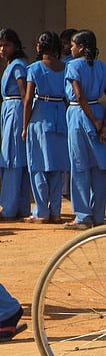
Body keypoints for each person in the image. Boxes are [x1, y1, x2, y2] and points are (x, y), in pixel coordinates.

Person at [63, 30, 106, 229]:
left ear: (82, 46)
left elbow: (78, 94)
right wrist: (105, 123)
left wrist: (93, 120)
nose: (71, 48)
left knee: (80, 166)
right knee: (99, 168)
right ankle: (98, 215)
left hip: (79, 115)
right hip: (98, 112)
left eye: (74, 45)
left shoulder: (73, 65)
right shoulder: (103, 67)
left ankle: (83, 216)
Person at [22, 32, 69, 224]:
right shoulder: (65, 67)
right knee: (57, 168)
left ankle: (41, 211)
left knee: (38, 165)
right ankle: (56, 211)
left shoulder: (34, 68)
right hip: (60, 113)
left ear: (40, 47)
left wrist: (25, 125)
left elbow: (28, 99)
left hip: (41, 114)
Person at [0, 29, 31, 220]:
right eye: (0, 45)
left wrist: (25, 121)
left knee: (12, 158)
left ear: (16, 46)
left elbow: (24, 92)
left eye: (7, 45)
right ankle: (20, 205)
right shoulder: (10, 65)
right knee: (14, 159)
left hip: (16, 111)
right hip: (9, 109)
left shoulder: (18, 65)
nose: (3, 49)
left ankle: (9, 208)